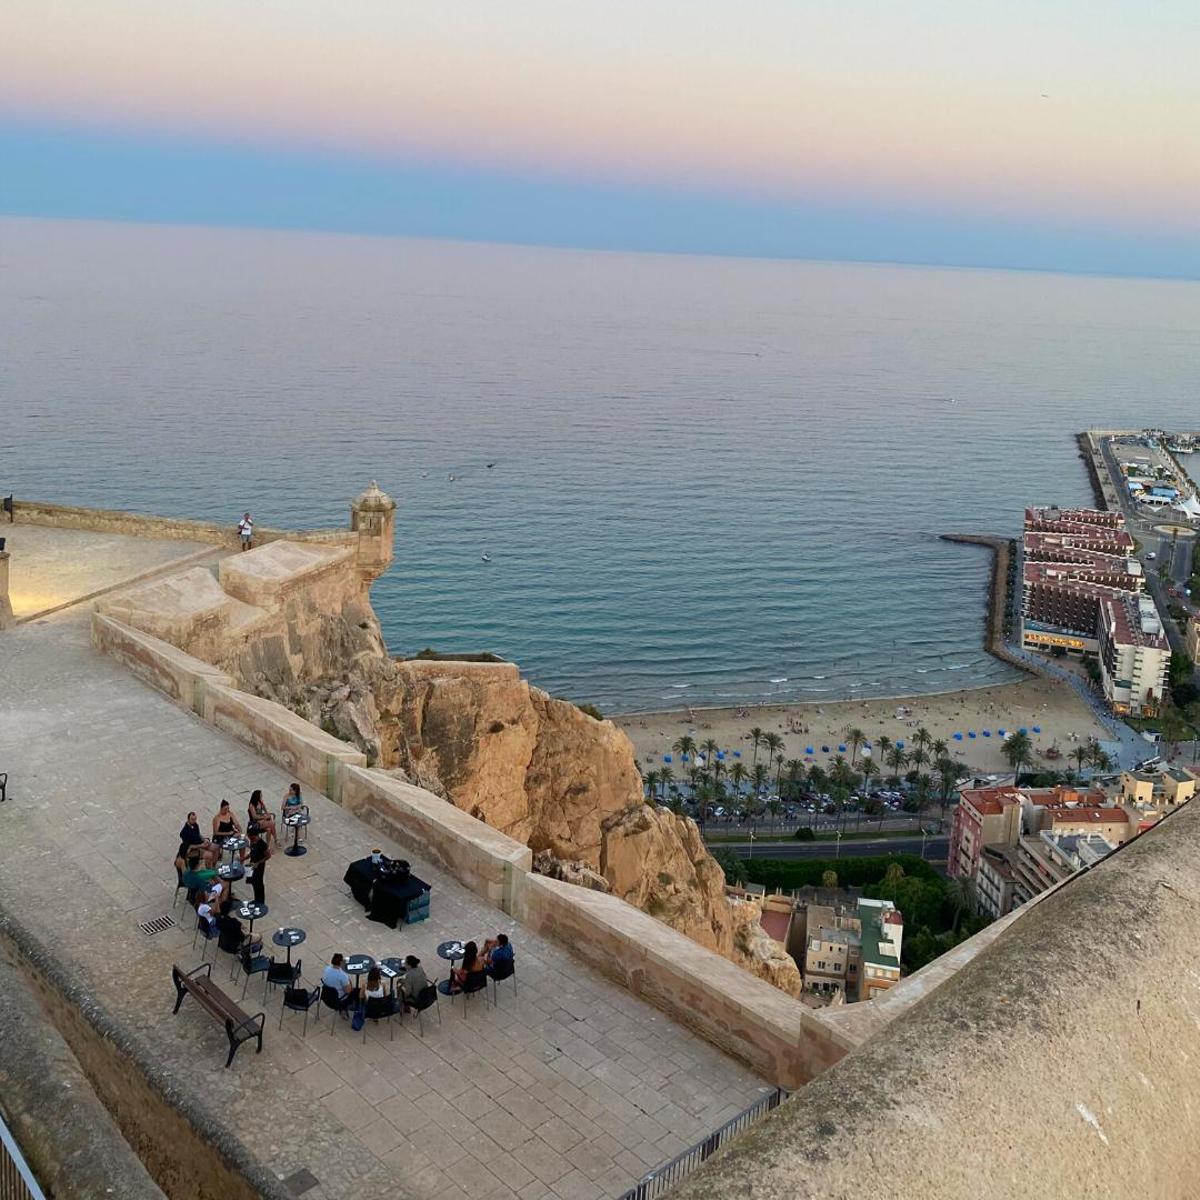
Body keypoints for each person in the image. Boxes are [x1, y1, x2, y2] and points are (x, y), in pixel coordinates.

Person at [247, 827, 270, 905]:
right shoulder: (252, 841)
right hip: (252, 864)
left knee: (259, 883)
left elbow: (268, 856)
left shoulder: (262, 844)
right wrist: (243, 858)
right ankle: (256, 899)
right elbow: (252, 852)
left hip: (259, 866)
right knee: (253, 882)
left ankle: (261, 901)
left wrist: (258, 863)